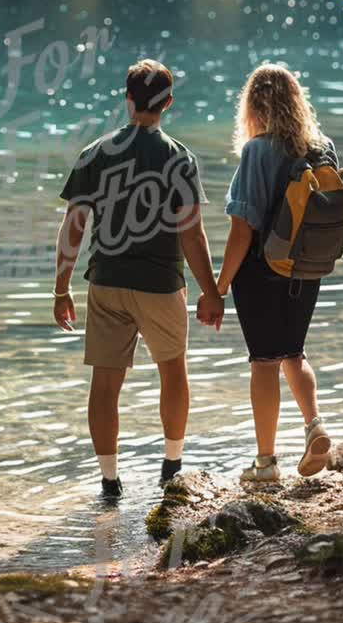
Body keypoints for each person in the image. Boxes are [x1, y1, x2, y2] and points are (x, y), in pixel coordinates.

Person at [53, 59, 224, 499]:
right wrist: (211, 290)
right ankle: (172, 465)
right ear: (167, 103)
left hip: (106, 281)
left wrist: (61, 287)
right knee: (173, 372)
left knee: (105, 383)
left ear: (128, 98)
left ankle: (110, 482)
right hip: (161, 284)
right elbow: (192, 232)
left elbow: (74, 225)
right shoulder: (179, 158)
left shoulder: (94, 153)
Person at [204, 63, 338, 483]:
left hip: (262, 271)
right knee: (293, 353)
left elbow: (242, 230)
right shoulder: (322, 147)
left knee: (264, 361)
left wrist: (217, 288)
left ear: (252, 106)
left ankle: (265, 463)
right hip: (308, 267)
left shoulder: (257, 151)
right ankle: (315, 425)